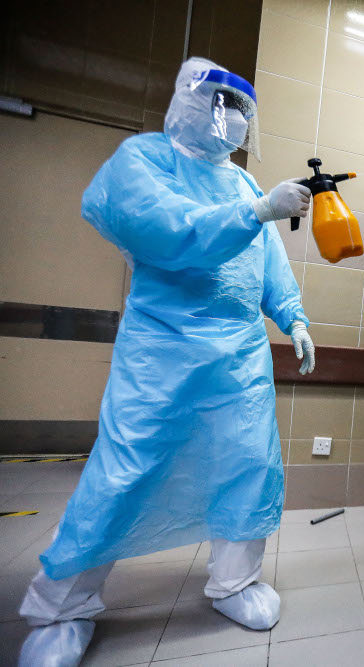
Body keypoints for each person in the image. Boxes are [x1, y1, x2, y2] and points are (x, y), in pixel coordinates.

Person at [17, 57, 315, 666]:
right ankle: (61, 610)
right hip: (164, 350)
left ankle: (235, 582)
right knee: (126, 470)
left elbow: (269, 266)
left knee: (247, 465)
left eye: (241, 110)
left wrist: (295, 317)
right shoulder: (145, 161)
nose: (231, 118)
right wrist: (257, 213)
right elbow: (165, 230)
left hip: (239, 357)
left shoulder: (241, 183)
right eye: (221, 103)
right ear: (188, 100)